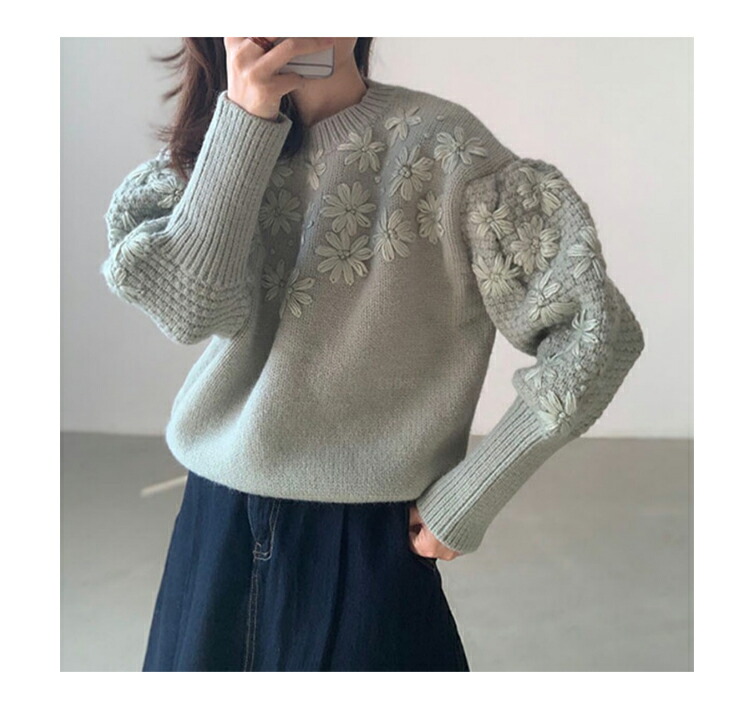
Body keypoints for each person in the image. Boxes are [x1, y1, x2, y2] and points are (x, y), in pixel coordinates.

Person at [100, 37, 645, 672]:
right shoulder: (209, 150)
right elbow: (191, 312)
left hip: (364, 540)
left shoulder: (449, 152)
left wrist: (472, 492)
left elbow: (596, 333)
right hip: (213, 519)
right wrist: (244, 121)